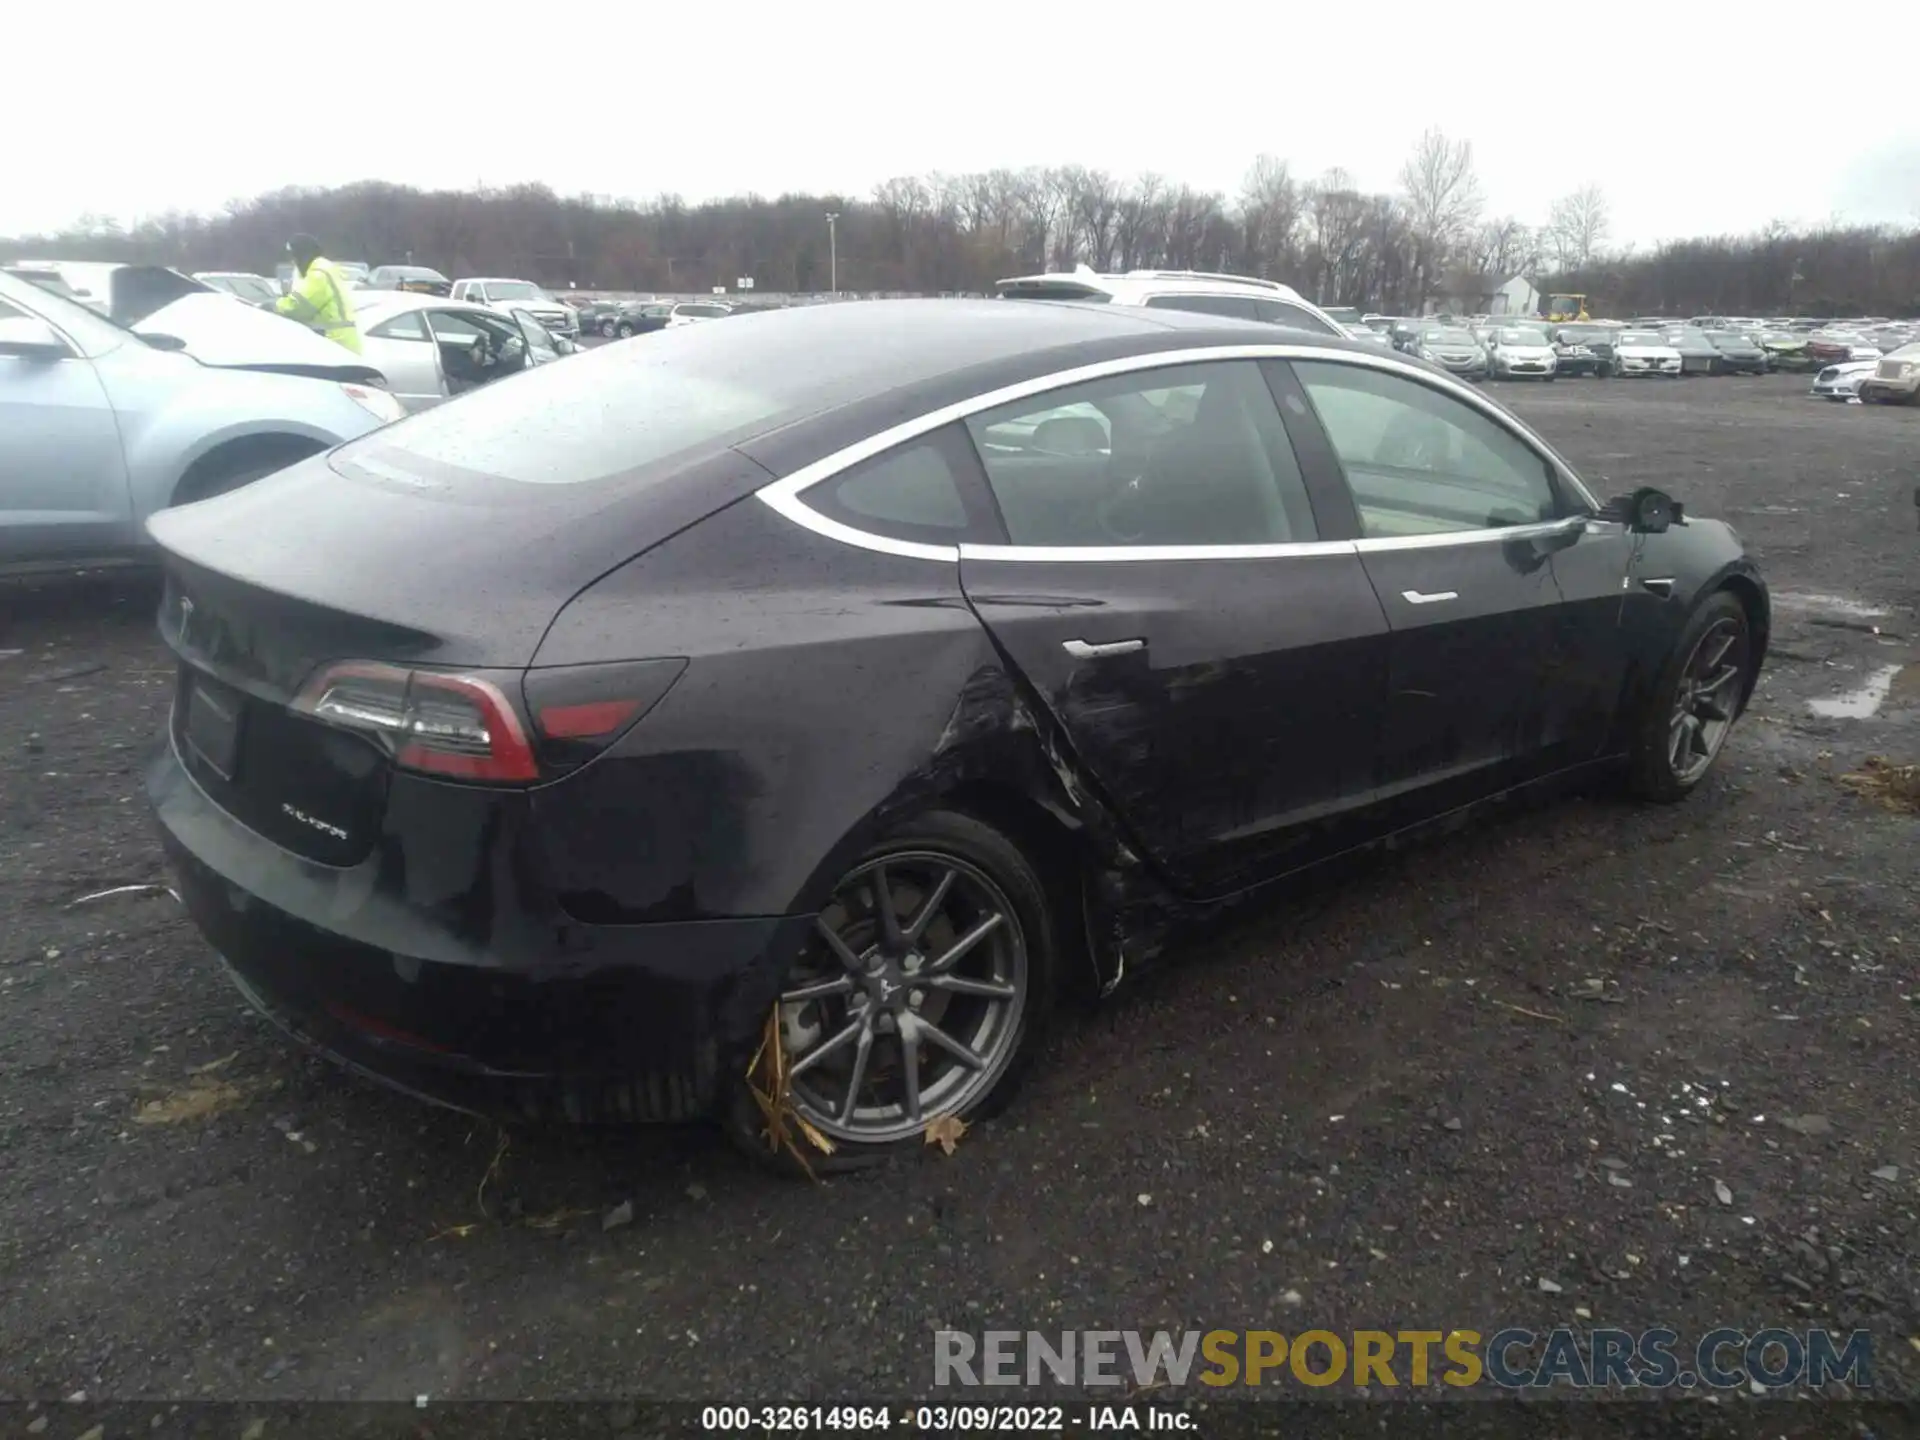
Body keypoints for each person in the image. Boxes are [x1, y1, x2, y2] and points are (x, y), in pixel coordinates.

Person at [273, 234, 361, 353]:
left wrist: (274, 306)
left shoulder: (319, 274)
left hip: (335, 344)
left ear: (302, 255)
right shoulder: (323, 269)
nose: (293, 261)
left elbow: (298, 307)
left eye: (294, 256)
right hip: (338, 343)